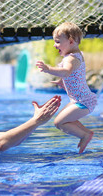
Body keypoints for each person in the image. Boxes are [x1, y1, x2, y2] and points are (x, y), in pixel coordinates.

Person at [36, 22, 97, 154]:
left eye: (57, 41)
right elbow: (72, 75)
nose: (54, 45)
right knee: (65, 119)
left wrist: (48, 69)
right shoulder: (74, 55)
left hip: (83, 102)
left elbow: (66, 72)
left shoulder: (71, 59)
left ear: (70, 41)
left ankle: (84, 135)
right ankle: (87, 133)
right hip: (80, 100)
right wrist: (62, 82)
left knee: (59, 122)